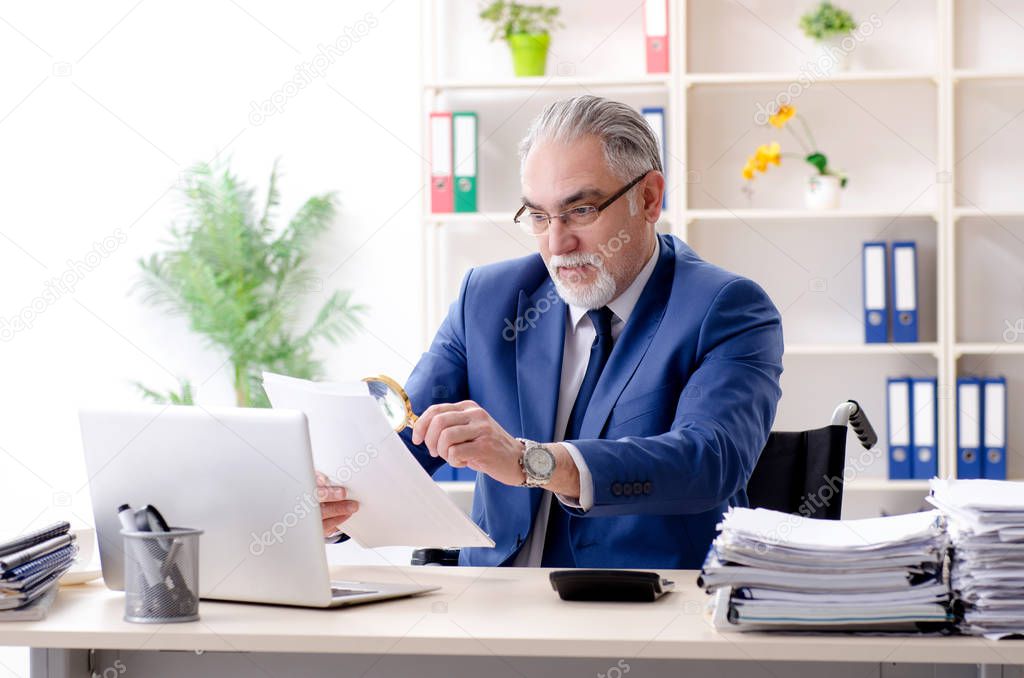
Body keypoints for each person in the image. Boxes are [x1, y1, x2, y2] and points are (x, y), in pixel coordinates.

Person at [317, 95, 784, 568]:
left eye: (580, 210)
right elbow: (406, 445)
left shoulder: (725, 309)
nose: (557, 244)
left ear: (648, 198)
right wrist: (333, 501)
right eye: (538, 217)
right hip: (495, 609)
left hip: (642, 613)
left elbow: (707, 463)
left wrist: (529, 461)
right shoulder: (489, 298)